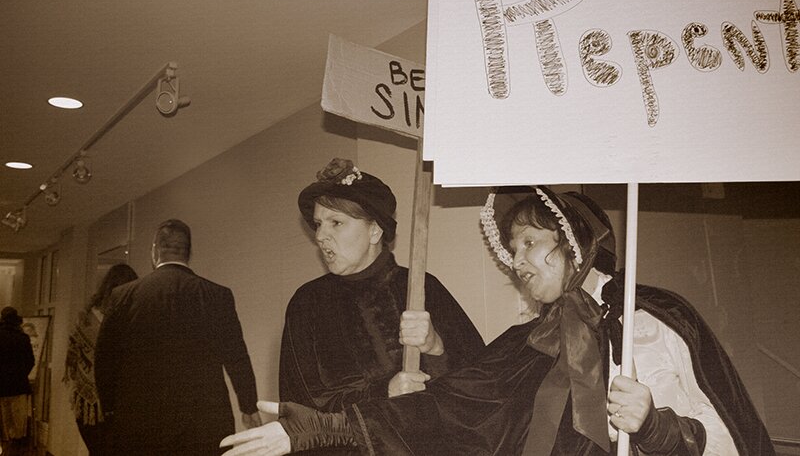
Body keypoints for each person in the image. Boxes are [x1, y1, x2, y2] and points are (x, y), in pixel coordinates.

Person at [220, 186, 775, 456]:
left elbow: (726, 440)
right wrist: (317, 427)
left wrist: (655, 426)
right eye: (513, 248)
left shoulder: (650, 320)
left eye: (532, 243)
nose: (518, 260)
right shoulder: (526, 343)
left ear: (575, 245)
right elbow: (447, 408)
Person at [279, 158, 484, 452]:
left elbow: (480, 384)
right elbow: (303, 407)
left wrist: (437, 348)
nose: (321, 236)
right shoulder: (307, 303)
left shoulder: (424, 288)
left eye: (336, 223)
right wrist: (384, 391)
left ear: (375, 232)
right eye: (319, 224)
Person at [95, 219, 262, 455]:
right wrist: (248, 405)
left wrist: (111, 410)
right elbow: (237, 356)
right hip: (204, 423)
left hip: (140, 422)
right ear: (189, 253)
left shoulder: (122, 296)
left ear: (155, 250)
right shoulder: (217, 295)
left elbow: (104, 360)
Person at [63, 263, 138, 455]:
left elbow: (73, 357)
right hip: (119, 405)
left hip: (87, 405)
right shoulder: (130, 321)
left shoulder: (87, 317)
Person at [0, 306, 35, 456]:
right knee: (18, 428)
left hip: (1, 387)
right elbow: (30, 361)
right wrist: (20, 374)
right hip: (19, 387)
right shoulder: (23, 338)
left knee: (4, 426)